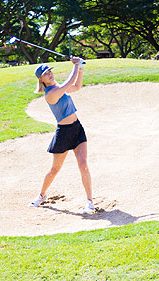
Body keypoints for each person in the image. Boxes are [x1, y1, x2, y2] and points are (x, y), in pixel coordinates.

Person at [29, 56, 94, 214]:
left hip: (77, 129)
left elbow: (77, 86)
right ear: (41, 79)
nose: (50, 74)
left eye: (50, 71)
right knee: (54, 170)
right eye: (46, 74)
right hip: (64, 133)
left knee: (83, 165)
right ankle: (41, 195)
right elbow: (69, 83)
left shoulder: (59, 87)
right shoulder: (51, 94)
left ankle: (90, 202)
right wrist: (76, 65)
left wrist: (81, 68)